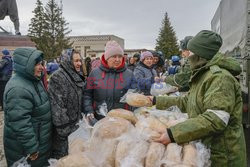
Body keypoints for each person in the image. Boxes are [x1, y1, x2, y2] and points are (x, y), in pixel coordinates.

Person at [152, 30, 247, 166]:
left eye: (189, 53)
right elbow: (187, 101)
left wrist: (173, 133)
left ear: (200, 54)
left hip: (224, 156)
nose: (186, 57)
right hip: (210, 149)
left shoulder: (219, 78)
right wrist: (155, 101)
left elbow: (216, 119)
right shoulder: (203, 74)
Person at [3, 48, 51, 167]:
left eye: (41, 63)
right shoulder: (18, 89)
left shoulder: (34, 80)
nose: (41, 67)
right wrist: (32, 148)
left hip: (40, 141)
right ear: (25, 65)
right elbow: (20, 123)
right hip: (27, 150)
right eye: (36, 64)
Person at [84, 40, 136, 120]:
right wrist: (89, 110)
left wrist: (132, 113)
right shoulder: (94, 73)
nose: (118, 60)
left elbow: (135, 95)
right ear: (107, 58)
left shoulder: (129, 74)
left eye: (120, 56)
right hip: (99, 119)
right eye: (114, 56)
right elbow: (87, 95)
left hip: (123, 120)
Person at [48, 50, 85, 159]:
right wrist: (67, 131)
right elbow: (58, 108)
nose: (79, 64)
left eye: (80, 60)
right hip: (64, 133)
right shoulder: (57, 77)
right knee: (64, 160)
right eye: (76, 61)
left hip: (76, 127)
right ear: (67, 61)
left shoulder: (76, 74)